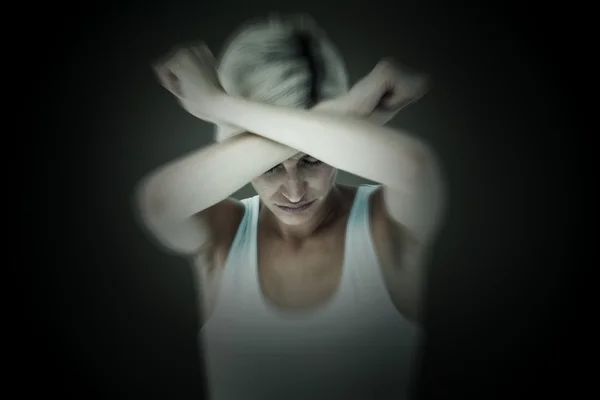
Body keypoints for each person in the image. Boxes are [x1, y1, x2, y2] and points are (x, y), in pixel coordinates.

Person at [136, 14, 445, 400]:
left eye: (313, 160)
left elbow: (415, 169)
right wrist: (343, 114)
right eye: (267, 167)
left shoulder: (386, 224)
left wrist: (217, 103)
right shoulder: (224, 233)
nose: (295, 192)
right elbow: (158, 202)